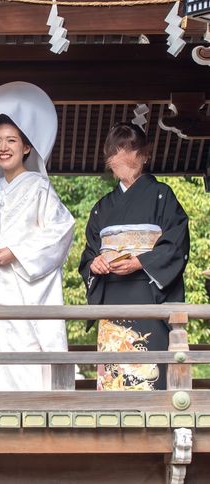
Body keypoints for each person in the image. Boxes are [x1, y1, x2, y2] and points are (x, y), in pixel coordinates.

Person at [0, 82, 74, 391]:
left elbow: (61, 232)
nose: (3, 147)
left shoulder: (39, 188)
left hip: (21, 301)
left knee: (22, 377)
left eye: (11, 140)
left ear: (26, 147)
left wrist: (16, 253)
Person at [79, 122, 190, 391]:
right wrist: (95, 263)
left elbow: (177, 243)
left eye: (130, 150)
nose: (124, 157)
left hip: (149, 295)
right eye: (117, 151)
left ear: (144, 155)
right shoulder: (102, 208)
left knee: (149, 376)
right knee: (114, 378)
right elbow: (89, 255)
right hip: (112, 298)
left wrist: (141, 261)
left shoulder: (162, 195)